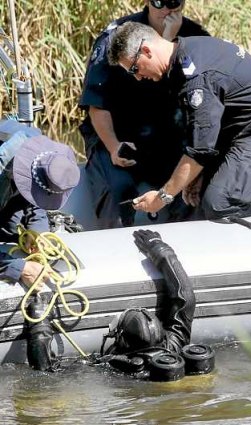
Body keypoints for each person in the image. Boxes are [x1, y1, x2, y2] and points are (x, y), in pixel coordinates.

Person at [107, 22, 251, 220]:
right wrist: (199, 175)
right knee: (201, 191)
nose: (138, 77)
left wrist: (161, 198)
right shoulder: (188, 52)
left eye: (134, 69)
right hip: (243, 131)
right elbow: (204, 134)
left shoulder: (195, 77)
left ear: (146, 51)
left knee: (220, 201)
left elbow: (200, 150)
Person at [79, 0, 210, 228]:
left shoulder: (196, 37)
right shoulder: (117, 37)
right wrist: (113, 147)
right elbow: (97, 105)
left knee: (192, 189)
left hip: (169, 138)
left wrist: (168, 43)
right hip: (118, 139)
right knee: (118, 187)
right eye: (159, 2)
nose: (166, 9)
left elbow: (205, 109)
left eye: (174, 2)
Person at [25, 228, 214, 380]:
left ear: (120, 338)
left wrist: (38, 323)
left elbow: (46, 375)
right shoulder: (174, 345)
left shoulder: (111, 365)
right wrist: (160, 250)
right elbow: (185, 299)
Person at [0, 130, 80, 289]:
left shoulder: (40, 156)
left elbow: (36, 201)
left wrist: (38, 233)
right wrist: (19, 268)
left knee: (13, 229)